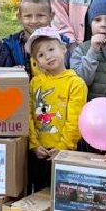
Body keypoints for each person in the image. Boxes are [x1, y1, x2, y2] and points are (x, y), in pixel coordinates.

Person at [26, 28, 87, 191]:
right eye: (40, 55)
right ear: (36, 62)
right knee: (38, 195)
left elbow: (75, 120)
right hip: (39, 153)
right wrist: (34, 144)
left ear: (63, 48)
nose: (48, 56)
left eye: (51, 49)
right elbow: (28, 115)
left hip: (65, 154)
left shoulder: (75, 83)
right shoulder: (35, 83)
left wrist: (63, 147)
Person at [5, 0, 61, 71]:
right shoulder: (9, 46)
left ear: (51, 16)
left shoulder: (61, 43)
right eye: (28, 16)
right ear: (19, 17)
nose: (34, 21)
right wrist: (13, 72)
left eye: (40, 15)